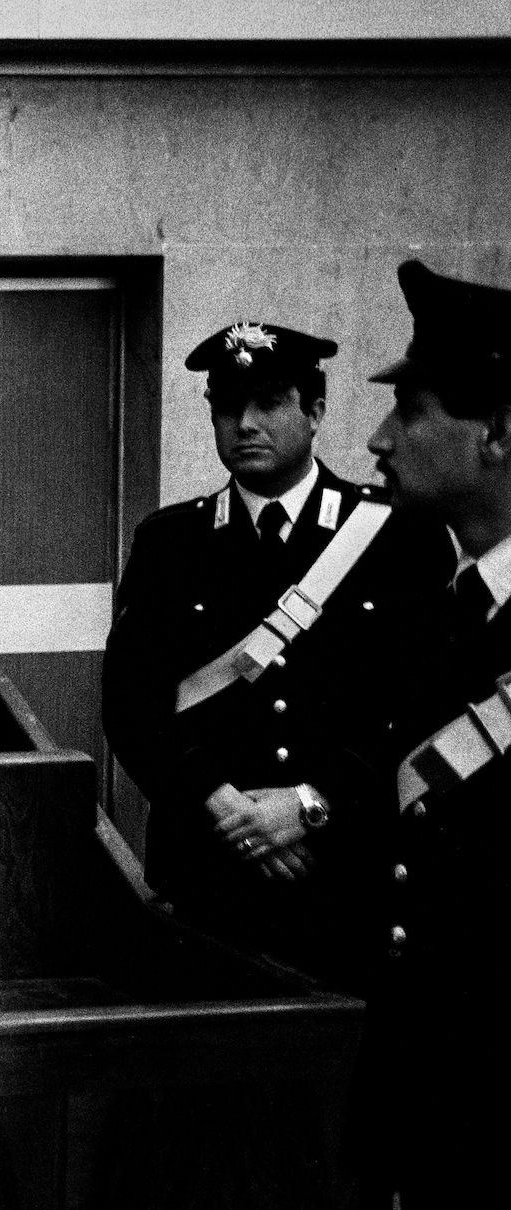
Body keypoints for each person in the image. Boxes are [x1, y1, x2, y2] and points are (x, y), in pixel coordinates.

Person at [104, 320, 451, 984]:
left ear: (315, 412)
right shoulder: (171, 542)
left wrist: (314, 805)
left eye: (268, 403)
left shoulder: (397, 537)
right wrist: (226, 808)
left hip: (340, 872)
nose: (245, 423)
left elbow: (418, 707)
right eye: (228, 407)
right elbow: (130, 705)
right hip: (208, 872)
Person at [357, 260, 511, 1210]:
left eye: (407, 410)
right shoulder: (435, 608)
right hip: (438, 1100)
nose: (376, 439)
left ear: (495, 430)